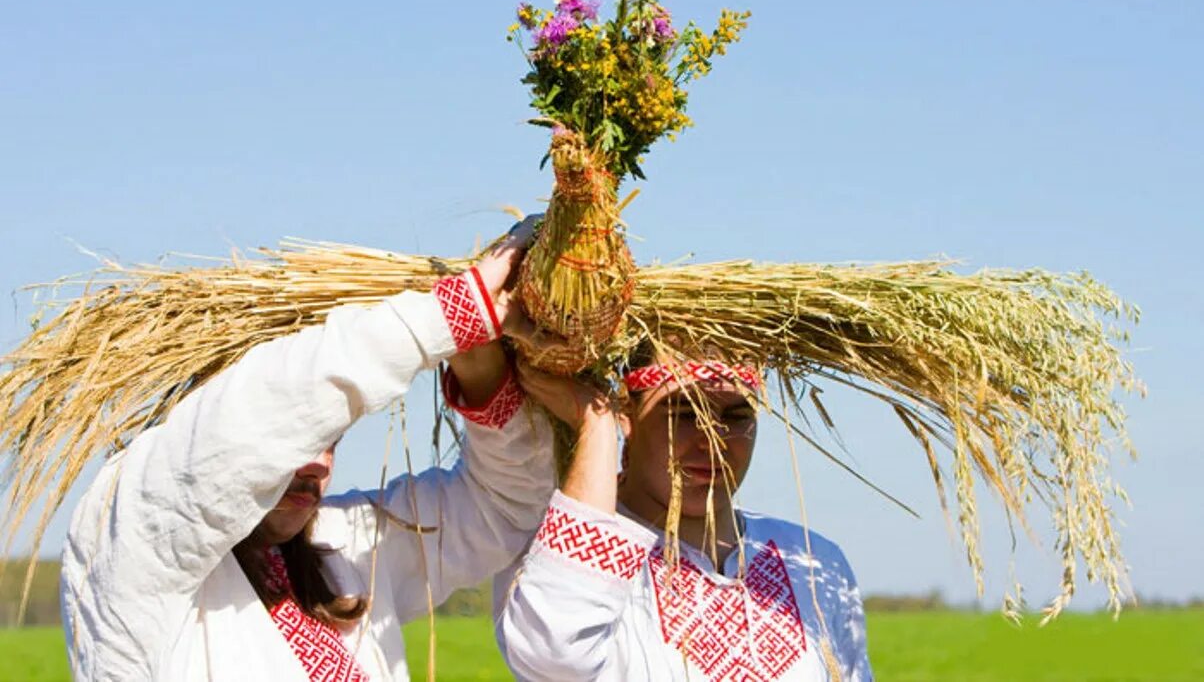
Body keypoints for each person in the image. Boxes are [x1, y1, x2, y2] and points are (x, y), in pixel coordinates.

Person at [60, 217, 558, 681]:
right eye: (301, 438)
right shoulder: (127, 548)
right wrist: (442, 319)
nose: (318, 462)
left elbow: (504, 507)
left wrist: (480, 366)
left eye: (332, 441)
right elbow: (237, 435)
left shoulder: (346, 546)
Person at [497, 346, 874, 682]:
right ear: (626, 413)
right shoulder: (563, 558)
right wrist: (595, 422)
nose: (712, 440)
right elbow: (553, 659)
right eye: (684, 413)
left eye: (738, 416)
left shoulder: (812, 560)